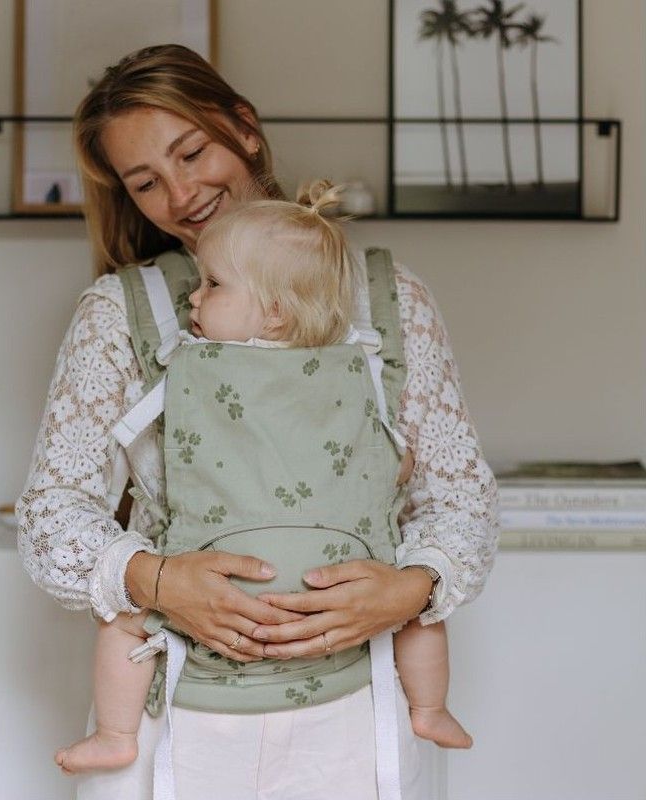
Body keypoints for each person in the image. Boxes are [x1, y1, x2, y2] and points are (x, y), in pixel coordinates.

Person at [16, 44, 498, 800]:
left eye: (192, 152)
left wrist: (409, 590)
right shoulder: (120, 313)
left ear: (243, 127)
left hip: (359, 707)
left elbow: (461, 499)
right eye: (147, 183)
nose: (181, 194)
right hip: (172, 703)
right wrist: (158, 578)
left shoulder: (389, 301)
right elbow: (51, 517)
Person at [53, 183, 472, 776]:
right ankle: (431, 706)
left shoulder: (195, 367)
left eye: (213, 286)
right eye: (143, 180)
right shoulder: (355, 368)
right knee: (420, 616)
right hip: (264, 619)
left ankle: (115, 732)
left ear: (275, 310)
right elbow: (397, 461)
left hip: (336, 671)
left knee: (125, 621)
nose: (193, 300)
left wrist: (412, 583)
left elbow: (450, 494)